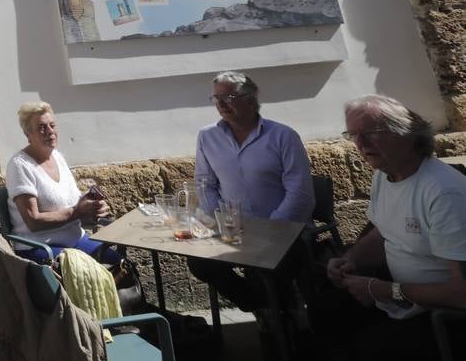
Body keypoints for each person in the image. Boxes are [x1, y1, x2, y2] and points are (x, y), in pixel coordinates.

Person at [310, 95, 466, 360]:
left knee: (373, 345)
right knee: (323, 311)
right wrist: (350, 260)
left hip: (444, 314)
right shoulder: (385, 174)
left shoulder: (443, 193)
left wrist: (384, 290)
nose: (360, 143)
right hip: (402, 296)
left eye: (371, 132)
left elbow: (462, 294)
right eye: (354, 134)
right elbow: (384, 231)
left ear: (407, 134)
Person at [188, 71, 314, 313]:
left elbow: (300, 194)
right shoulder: (208, 136)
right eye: (215, 98)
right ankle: (260, 306)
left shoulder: (283, 136)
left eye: (229, 97)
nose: (221, 104)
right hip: (234, 230)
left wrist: (269, 230)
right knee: (200, 263)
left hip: (282, 231)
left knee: (274, 269)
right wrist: (222, 221)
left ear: (250, 98)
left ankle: (285, 325)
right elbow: (205, 182)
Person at [4, 101, 115, 261]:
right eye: (42, 127)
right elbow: (33, 221)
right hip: (42, 247)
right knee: (92, 273)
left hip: (75, 240)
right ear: (28, 134)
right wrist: (78, 212)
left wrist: (92, 209)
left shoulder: (57, 156)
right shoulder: (20, 165)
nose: (50, 132)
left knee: (122, 265)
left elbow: (75, 203)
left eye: (52, 125)